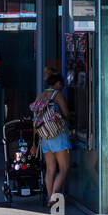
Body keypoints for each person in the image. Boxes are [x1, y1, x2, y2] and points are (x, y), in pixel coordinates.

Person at [32, 72, 72, 207]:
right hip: (58, 136)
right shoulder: (57, 95)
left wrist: (34, 143)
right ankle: (54, 196)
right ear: (56, 84)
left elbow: (35, 120)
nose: (62, 87)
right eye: (61, 84)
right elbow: (66, 114)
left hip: (45, 138)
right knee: (64, 168)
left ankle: (50, 197)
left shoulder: (40, 96)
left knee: (50, 170)